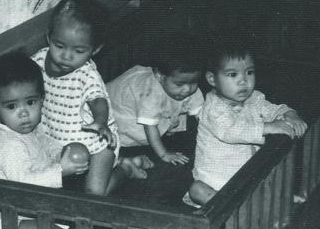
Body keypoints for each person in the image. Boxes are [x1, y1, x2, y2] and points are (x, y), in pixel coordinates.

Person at [0, 51, 110, 229]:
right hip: (14, 219)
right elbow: (24, 184)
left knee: (86, 196)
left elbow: (47, 145)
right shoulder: (8, 146)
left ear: (42, 99)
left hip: (40, 204)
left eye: (31, 102)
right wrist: (61, 170)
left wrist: (63, 155)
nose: (24, 113)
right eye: (11, 106)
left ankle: (122, 172)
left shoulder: (32, 129)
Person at [31, 0, 152, 196]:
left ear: (95, 50)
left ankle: (125, 169)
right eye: (59, 46)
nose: (66, 56)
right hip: (56, 141)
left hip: (97, 143)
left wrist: (100, 122)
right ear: (48, 37)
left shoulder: (86, 74)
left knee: (94, 194)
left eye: (78, 51)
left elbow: (98, 100)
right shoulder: (37, 60)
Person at [185, 35, 308, 207]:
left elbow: (272, 109)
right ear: (212, 79)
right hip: (216, 179)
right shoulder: (213, 108)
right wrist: (268, 127)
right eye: (232, 74)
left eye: (249, 72)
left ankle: (254, 203)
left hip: (246, 172)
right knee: (197, 189)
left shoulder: (254, 98)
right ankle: (226, 207)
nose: (243, 81)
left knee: (271, 176)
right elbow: (230, 131)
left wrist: (290, 114)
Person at [107, 34, 204, 165]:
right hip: (119, 113)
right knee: (145, 130)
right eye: (180, 84)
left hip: (150, 104)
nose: (187, 89)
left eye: (193, 82)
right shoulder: (150, 94)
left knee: (173, 111)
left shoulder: (184, 84)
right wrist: (164, 154)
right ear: (160, 76)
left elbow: (202, 115)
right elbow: (149, 127)